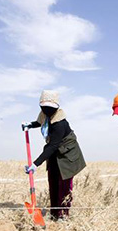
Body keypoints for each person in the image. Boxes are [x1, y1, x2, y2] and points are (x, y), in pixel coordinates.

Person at [22, 90, 86, 221]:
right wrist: (30, 125)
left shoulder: (59, 123)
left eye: (50, 108)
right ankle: (54, 213)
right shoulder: (44, 115)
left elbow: (52, 145)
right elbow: (40, 122)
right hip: (55, 152)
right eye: (44, 107)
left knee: (64, 185)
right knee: (53, 181)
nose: (47, 110)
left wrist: (35, 164)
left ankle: (63, 215)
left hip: (67, 154)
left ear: (56, 107)